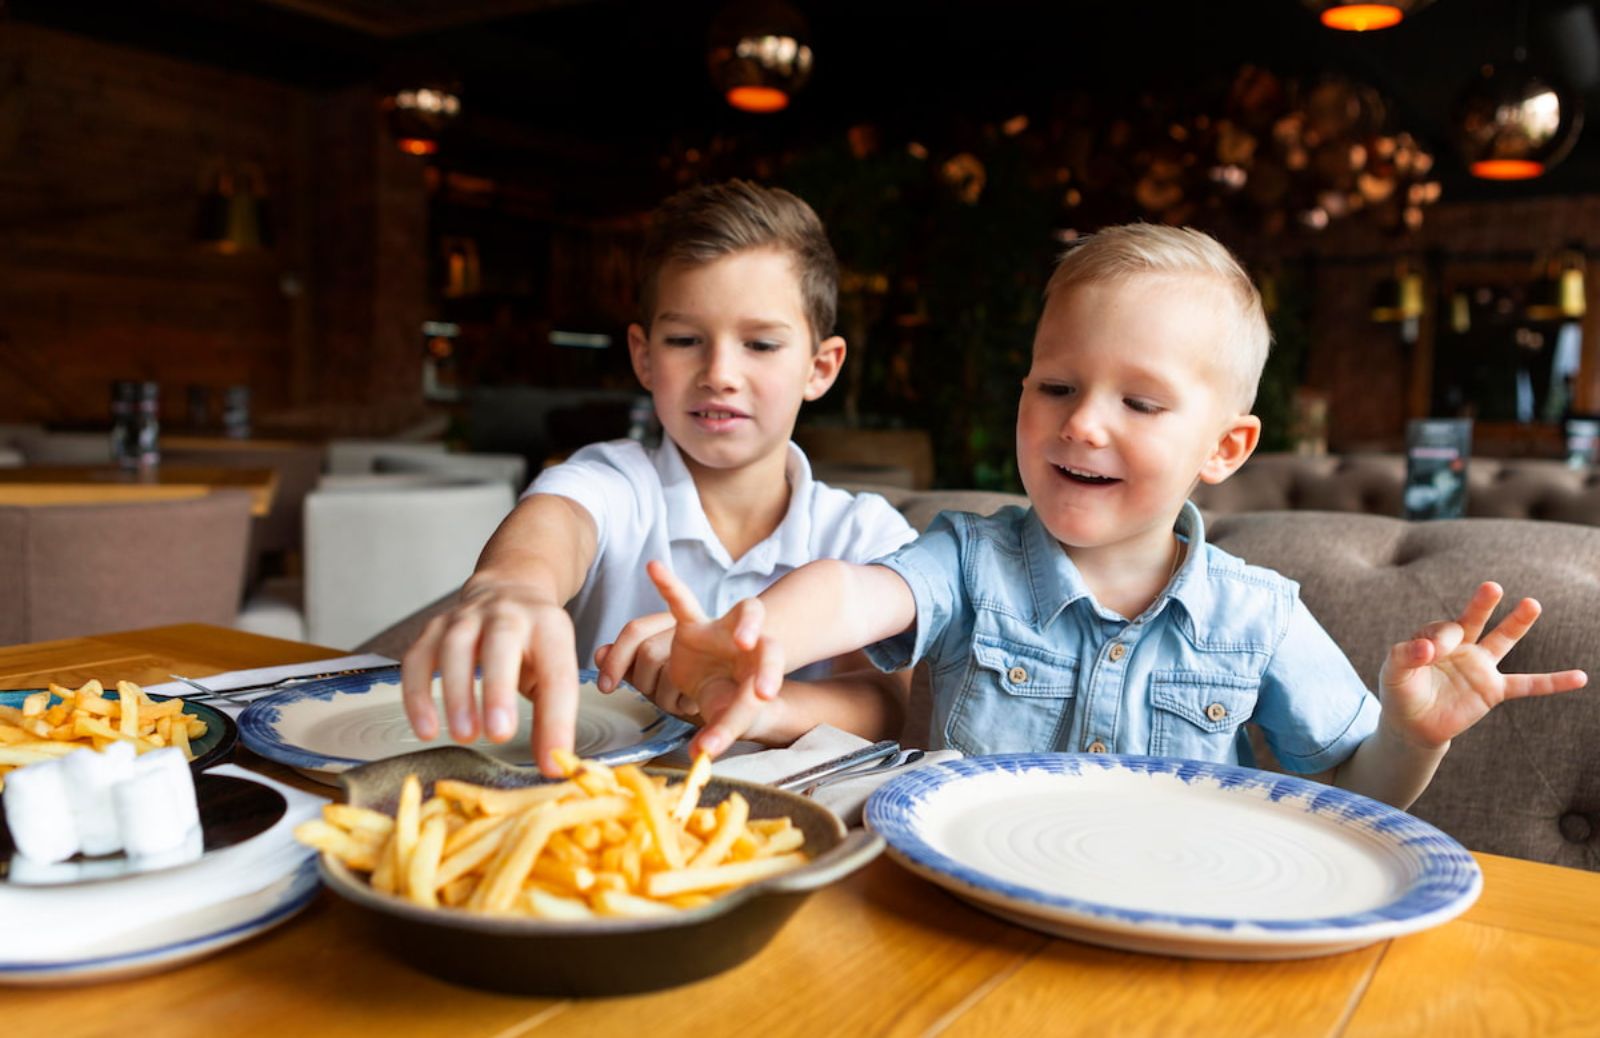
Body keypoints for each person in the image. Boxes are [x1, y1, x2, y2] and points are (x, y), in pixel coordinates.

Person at [641, 223, 1588, 808]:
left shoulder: (1258, 617)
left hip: (1175, 913)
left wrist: (1413, 738)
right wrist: (754, 632)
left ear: (1225, 448)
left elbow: (1352, 793)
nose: (1082, 422)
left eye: (1139, 404)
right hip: (963, 892)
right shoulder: (970, 559)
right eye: (1056, 385)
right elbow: (857, 594)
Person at [400, 180, 917, 775]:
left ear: (819, 368)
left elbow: (892, 700)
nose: (720, 373)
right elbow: (557, 522)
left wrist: (751, 709)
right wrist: (510, 587)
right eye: (685, 340)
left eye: (760, 344)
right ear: (644, 357)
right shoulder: (616, 482)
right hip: (596, 819)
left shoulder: (861, 532)